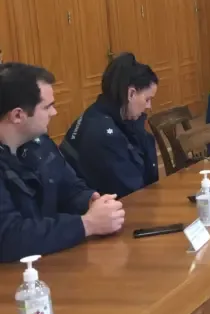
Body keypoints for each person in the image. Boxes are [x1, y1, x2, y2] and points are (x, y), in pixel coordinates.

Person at [0, 63, 125, 262]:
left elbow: (70, 187)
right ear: (17, 115)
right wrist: (86, 224)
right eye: (47, 107)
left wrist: (90, 201)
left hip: (52, 259)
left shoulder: (40, 143)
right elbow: (9, 237)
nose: (54, 113)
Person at [60, 53, 160, 199]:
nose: (149, 106)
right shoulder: (104, 135)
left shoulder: (102, 115)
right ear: (131, 94)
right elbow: (133, 193)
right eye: (147, 99)